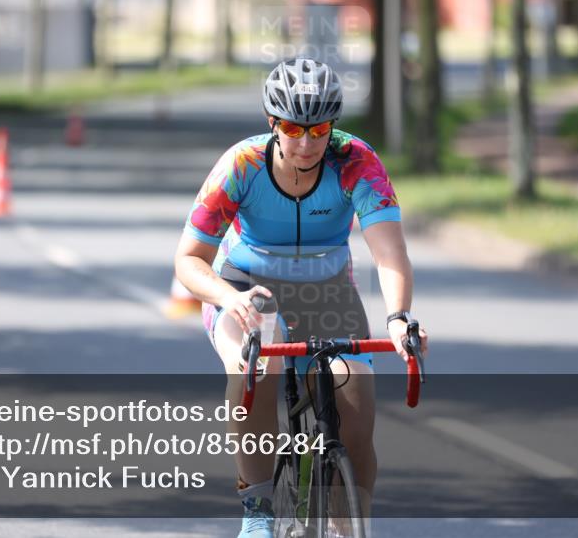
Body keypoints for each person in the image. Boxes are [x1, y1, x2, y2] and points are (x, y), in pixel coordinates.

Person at [174, 57, 428, 537]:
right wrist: (228, 299)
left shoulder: (356, 161)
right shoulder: (242, 164)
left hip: (326, 290)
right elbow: (188, 261)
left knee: (354, 392)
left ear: (333, 127)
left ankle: (350, 524)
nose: (307, 143)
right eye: (293, 128)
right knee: (258, 368)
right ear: (273, 123)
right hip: (250, 287)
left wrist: (399, 316)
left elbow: (390, 252)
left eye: (319, 130)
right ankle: (257, 509)